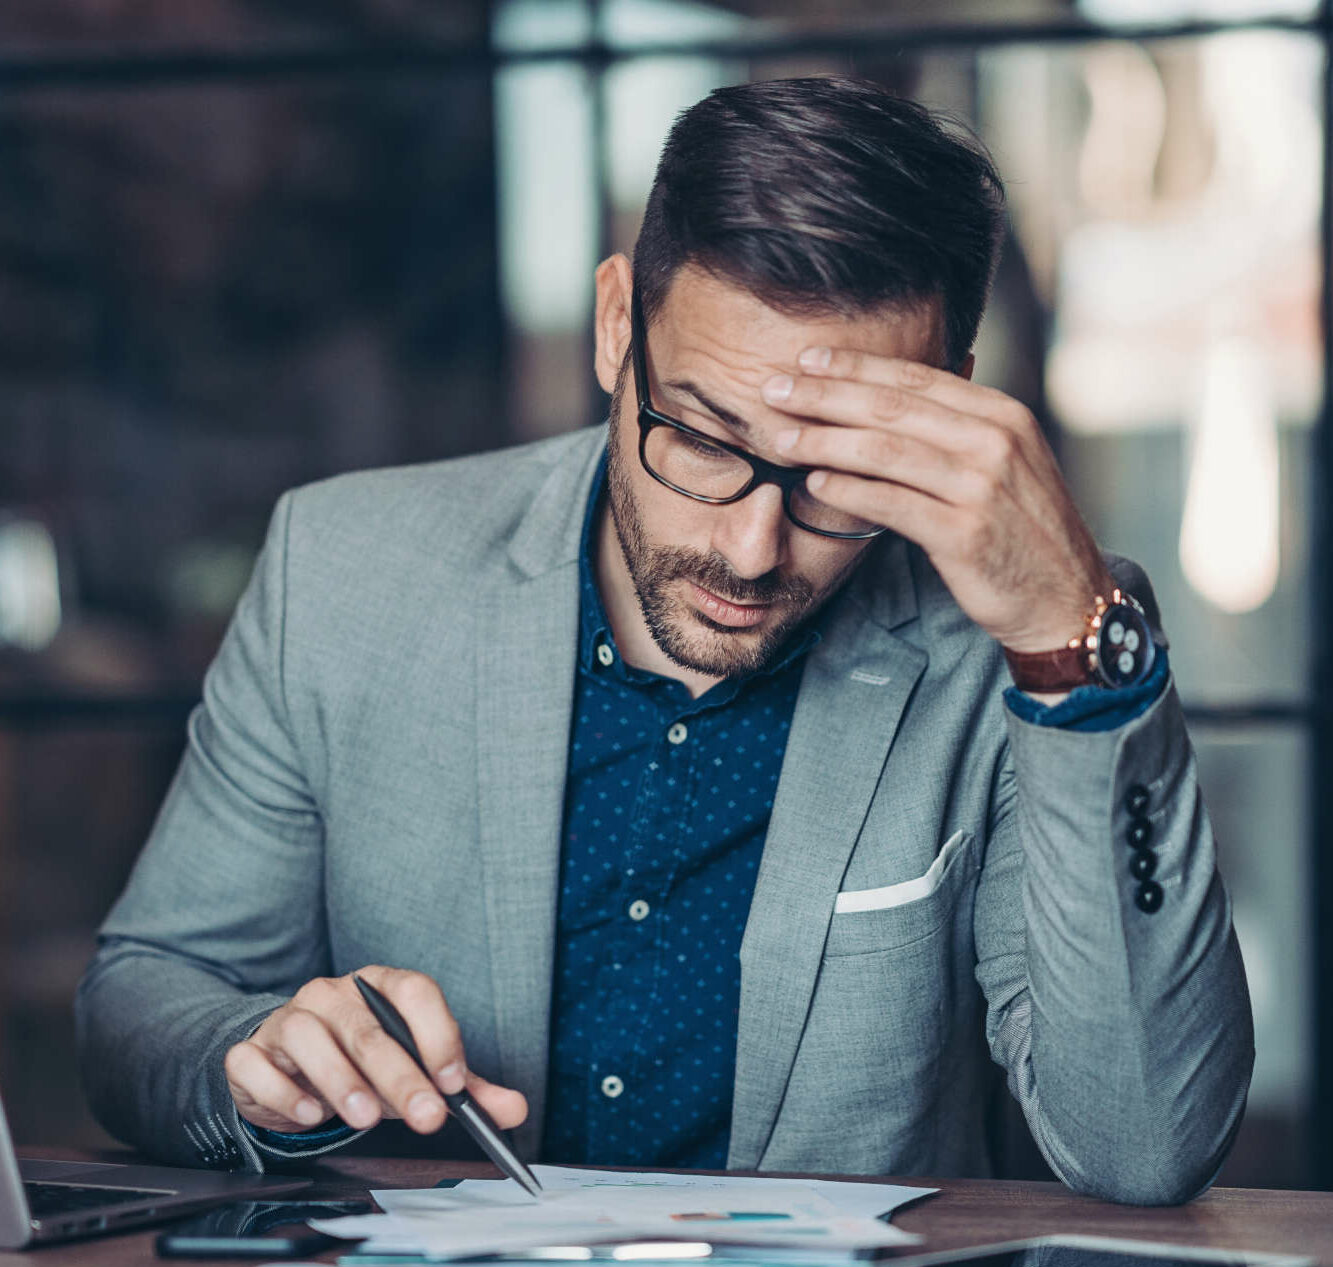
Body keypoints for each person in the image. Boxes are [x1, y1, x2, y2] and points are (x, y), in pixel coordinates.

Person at [77, 76, 1252, 1204]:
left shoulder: (1027, 639)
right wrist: (262, 1059)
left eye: (838, 474)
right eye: (698, 436)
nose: (751, 548)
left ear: (945, 411)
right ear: (612, 329)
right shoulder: (344, 572)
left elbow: (1144, 1146)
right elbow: (142, 1004)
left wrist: (1067, 647)